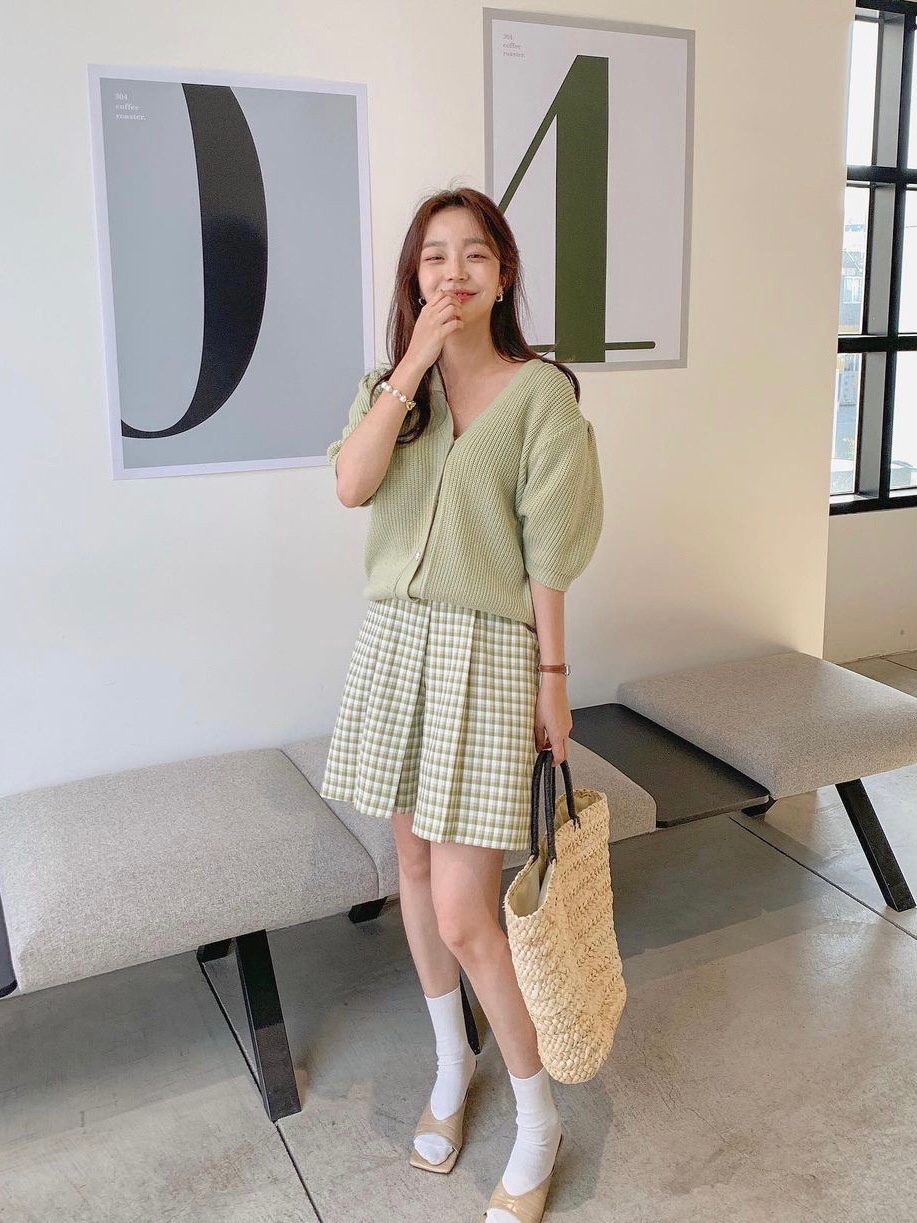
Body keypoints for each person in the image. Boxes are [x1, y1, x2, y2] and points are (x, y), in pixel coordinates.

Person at [321, 185, 603, 1222]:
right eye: (433, 256)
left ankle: (538, 1117)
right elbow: (351, 486)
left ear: (503, 272)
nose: (453, 272)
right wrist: (408, 370)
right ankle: (452, 1062)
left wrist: (554, 681)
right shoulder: (390, 390)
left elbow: (549, 552)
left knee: (464, 910)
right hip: (394, 648)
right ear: (413, 276)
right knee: (408, 866)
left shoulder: (540, 396)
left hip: (487, 656)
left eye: (474, 253)